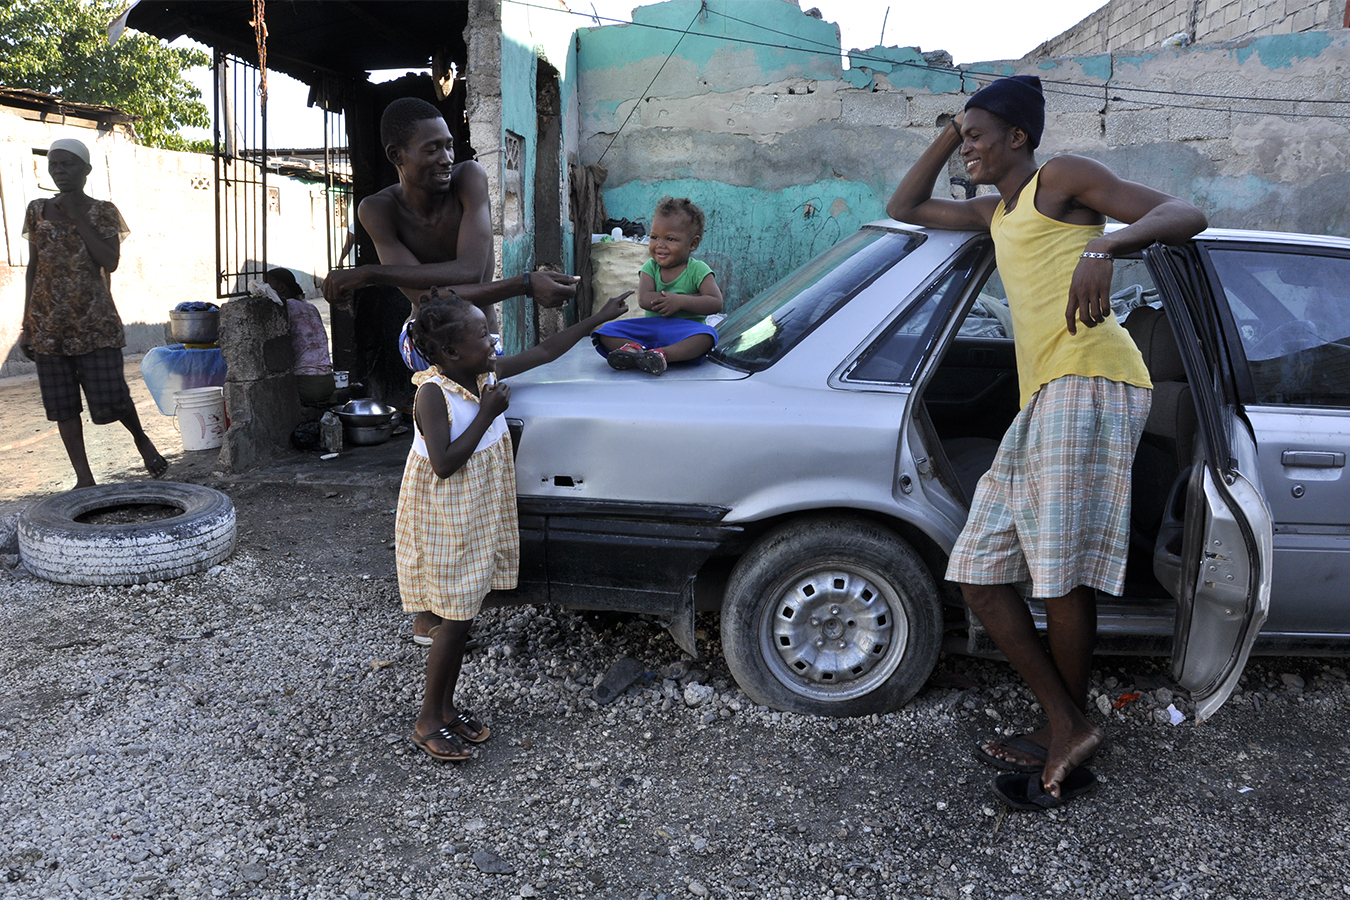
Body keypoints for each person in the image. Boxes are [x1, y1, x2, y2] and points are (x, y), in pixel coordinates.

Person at [885, 75, 1207, 806]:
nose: (966, 148)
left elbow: (1187, 211)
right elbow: (902, 207)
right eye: (961, 138)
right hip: (1046, 395)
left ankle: (1065, 726)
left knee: (1058, 571)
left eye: (976, 136)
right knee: (978, 569)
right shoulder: (996, 211)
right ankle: (1067, 721)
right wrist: (950, 127)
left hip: (1091, 378)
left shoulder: (1060, 180)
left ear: (1019, 139)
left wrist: (1112, 245)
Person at [322, 97, 579, 645]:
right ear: (397, 155)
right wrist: (521, 283)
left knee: (488, 449)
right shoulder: (378, 210)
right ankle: (431, 600)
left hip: (476, 334)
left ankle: (478, 566)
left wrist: (368, 272)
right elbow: (431, 297)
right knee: (438, 465)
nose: (445, 156)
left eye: (448, 143)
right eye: (430, 147)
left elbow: (465, 272)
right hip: (430, 343)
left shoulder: (469, 178)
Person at [397, 288, 631, 760]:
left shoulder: (485, 373)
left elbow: (545, 352)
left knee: (464, 622)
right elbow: (443, 463)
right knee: (453, 623)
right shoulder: (432, 394)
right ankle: (427, 720)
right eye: (483, 334)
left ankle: (444, 712)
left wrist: (597, 320)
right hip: (446, 523)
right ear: (450, 351)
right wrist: (487, 414)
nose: (493, 340)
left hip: (474, 518)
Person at [19, 138, 167, 488]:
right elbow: (33, 266)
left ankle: (141, 439)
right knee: (62, 405)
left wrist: (75, 216)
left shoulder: (103, 211)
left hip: (94, 323)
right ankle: (84, 477)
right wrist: (27, 322)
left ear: (86, 170)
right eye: (54, 165)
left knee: (112, 396)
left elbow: (109, 262)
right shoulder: (36, 209)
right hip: (48, 326)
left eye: (68, 164)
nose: (60, 171)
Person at [592, 196, 723, 375]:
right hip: (650, 326)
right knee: (606, 331)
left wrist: (680, 301)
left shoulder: (698, 269)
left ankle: (661, 354)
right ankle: (635, 350)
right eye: (654, 237)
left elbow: (715, 302)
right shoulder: (650, 267)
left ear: (693, 243)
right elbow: (645, 300)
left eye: (670, 239)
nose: (660, 245)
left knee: (707, 337)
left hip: (682, 330)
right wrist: (692, 299)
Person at [265, 268, 335, 405]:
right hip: (328, 381)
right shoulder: (311, 307)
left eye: (267, 285)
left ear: (281, 288)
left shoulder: (284, 308)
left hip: (307, 384)